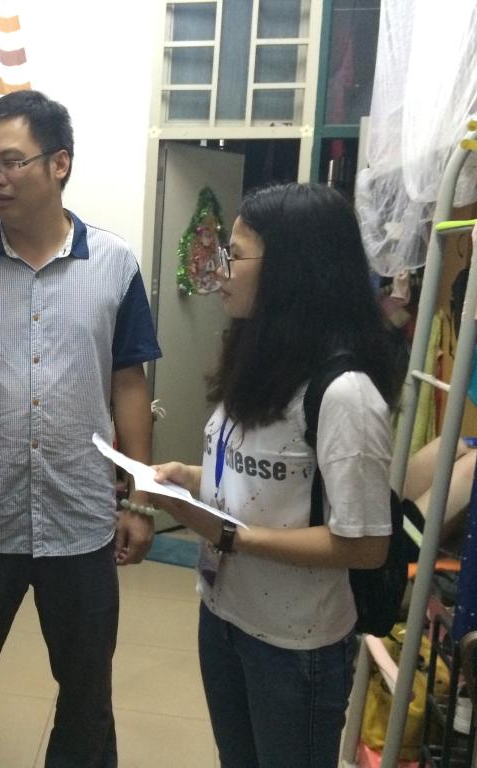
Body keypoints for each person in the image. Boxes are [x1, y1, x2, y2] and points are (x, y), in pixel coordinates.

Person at [0, 90, 161, 768]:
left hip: (80, 516)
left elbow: (129, 383)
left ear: (59, 164)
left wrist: (139, 498)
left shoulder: (115, 264)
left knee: (86, 694)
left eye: (11, 162)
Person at [150, 183, 403, 768]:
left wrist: (229, 535)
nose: (220, 270)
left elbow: (365, 544)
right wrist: (189, 478)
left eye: (234, 255)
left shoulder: (345, 394)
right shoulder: (260, 362)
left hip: (295, 645)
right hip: (224, 615)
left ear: (291, 269)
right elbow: (262, 478)